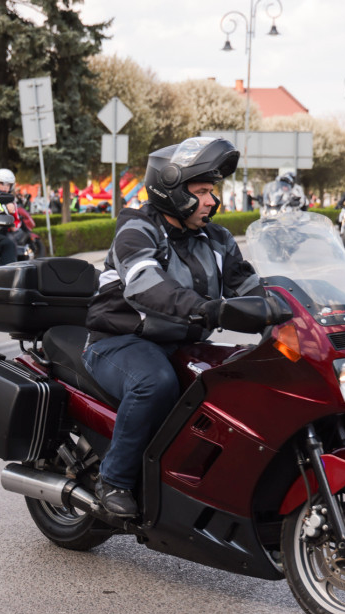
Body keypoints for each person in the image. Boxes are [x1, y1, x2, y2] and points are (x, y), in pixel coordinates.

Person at [82, 137, 269, 517]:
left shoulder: (215, 238)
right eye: (201, 192)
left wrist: (299, 306)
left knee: (240, 379)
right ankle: (113, 480)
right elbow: (144, 282)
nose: (211, 201)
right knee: (156, 383)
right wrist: (205, 308)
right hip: (120, 342)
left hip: (181, 343)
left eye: (211, 191)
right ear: (170, 190)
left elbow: (250, 285)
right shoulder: (137, 229)